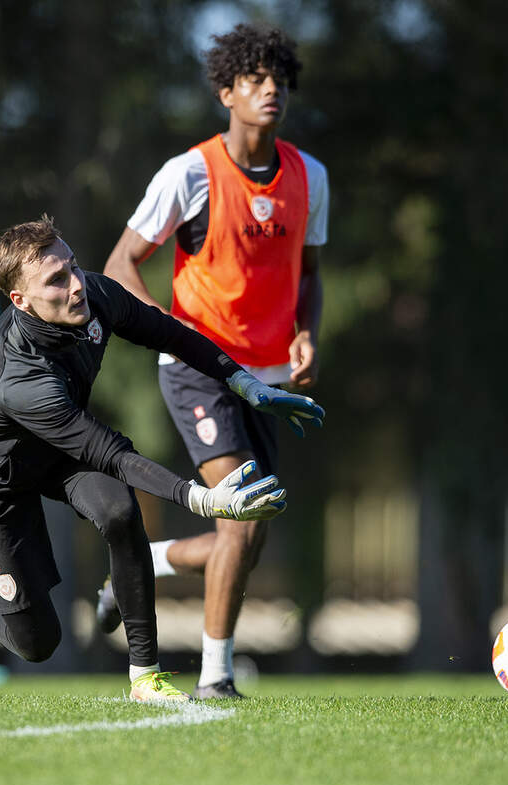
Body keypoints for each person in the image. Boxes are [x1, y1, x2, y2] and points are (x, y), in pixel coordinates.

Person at [0, 216, 323, 702]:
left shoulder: (95, 295)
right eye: (56, 280)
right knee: (38, 643)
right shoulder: (21, 381)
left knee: (121, 512)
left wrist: (246, 384)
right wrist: (203, 501)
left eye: (73, 267)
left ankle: (145, 675)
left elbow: (172, 334)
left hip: (58, 447)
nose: (76, 285)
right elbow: (110, 452)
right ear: (21, 301)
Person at [98, 22, 329, 698]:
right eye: (256, 80)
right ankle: (215, 678)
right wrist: (172, 334)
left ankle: (137, 565)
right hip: (198, 367)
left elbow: (309, 275)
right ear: (227, 91)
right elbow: (119, 265)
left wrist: (306, 334)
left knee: (247, 534)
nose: (271, 91)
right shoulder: (189, 173)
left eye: (279, 81)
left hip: (270, 378)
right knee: (238, 513)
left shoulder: (310, 177)